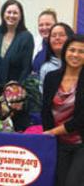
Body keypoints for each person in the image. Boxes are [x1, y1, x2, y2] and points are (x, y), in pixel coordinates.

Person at [42, 34, 84, 186]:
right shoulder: (51, 77)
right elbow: (45, 110)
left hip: (80, 142)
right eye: (72, 50)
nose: (75, 55)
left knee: (73, 182)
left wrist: (53, 132)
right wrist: (49, 137)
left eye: (81, 51)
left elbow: (81, 119)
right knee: (57, 181)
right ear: (65, 51)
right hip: (57, 143)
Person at [0, 0, 34, 86]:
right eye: (9, 12)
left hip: (15, 89)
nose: (11, 15)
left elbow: (26, 69)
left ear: (20, 16)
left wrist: (17, 89)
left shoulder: (26, 37)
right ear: (3, 14)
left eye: (15, 13)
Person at [39, 23, 74, 93]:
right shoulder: (46, 68)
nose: (57, 38)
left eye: (62, 35)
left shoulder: (78, 63)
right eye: (53, 36)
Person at [32, 9, 58, 73]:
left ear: (56, 25)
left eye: (48, 24)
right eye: (41, 25)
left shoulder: (62, 45)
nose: (44, 28)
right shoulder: (34, 43)